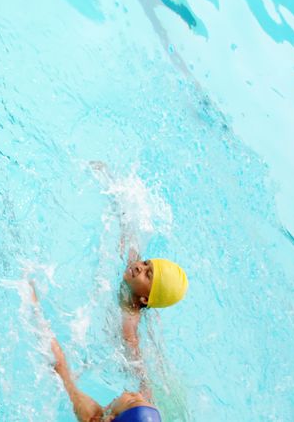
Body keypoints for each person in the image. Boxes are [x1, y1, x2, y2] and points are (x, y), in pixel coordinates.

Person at [90, 162, 187, 397]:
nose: (139, 267)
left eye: (147, 274)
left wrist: (144, 385)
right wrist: (111, 184)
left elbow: (133, 352)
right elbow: (127, 225)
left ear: (144, 298)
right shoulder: (132, 266)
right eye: (146, 264)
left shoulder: (129, 318)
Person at [31, 284, 162, 422]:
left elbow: (59, 366)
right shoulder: (138, 406)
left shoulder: (91, 415)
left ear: (111, 419)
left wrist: (33, 308)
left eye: (132, 401)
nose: (136, 395)